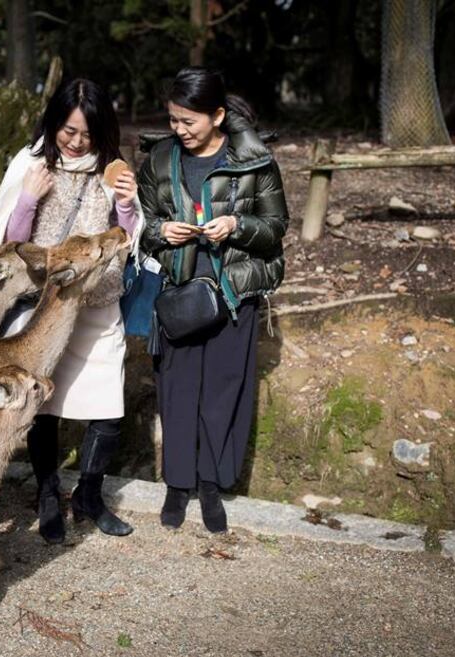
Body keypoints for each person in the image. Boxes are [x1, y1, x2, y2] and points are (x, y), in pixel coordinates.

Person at [0, 78, 143, 543]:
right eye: (68, 131)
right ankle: (48, 490)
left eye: (86, 134)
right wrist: (29, 197)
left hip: (96, 299)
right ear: (54, 123)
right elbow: (11, 241)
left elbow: (128, 238)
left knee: (108, 406)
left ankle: (89, 494)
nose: (75, 142)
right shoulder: (30, 162)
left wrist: (128, 205)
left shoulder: (113, 170)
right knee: (43, 403)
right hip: (45, 305)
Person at [136, 67, 288, 533]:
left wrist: (238, 227)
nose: (179, 130)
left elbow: (276, 229)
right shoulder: (160, 159)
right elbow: (139, 226)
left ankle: (210, 485)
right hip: (179, 296)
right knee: (178, 393)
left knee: (222, 394)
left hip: (232, 294)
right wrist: (163, 231)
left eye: (189, 121)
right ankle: (177, 485)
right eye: (174, 120)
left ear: (218, 115)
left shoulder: (255, 161)